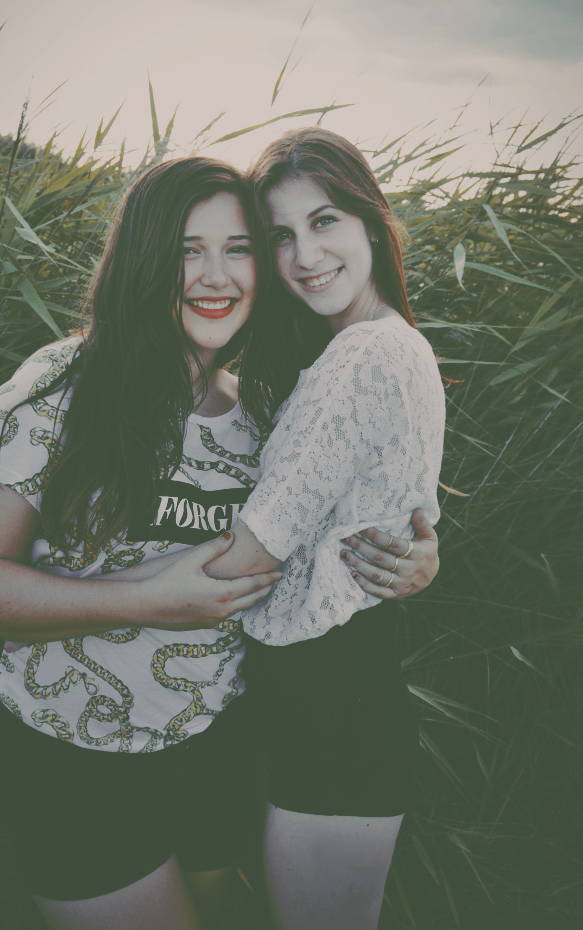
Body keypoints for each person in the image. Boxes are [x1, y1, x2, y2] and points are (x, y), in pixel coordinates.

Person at [0, 153, 439, 930]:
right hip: (72, 762)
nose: (215, 275)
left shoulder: (264, 411)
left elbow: (320, 545)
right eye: (186, 250)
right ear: (143, 257)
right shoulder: (62, 385)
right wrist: (144, 602)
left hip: (219, 753)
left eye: (238, 249)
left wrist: (411, 560)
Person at [190, 127, 447, 930]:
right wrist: (422, 559)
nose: (304, 256)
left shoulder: (366, 356)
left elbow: (253, 552)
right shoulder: (377, 345)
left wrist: (62, 591)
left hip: (335, 711)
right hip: (318, 700)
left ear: (371, 221)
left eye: (324, 221)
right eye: (280, 236)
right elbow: (385, 517)